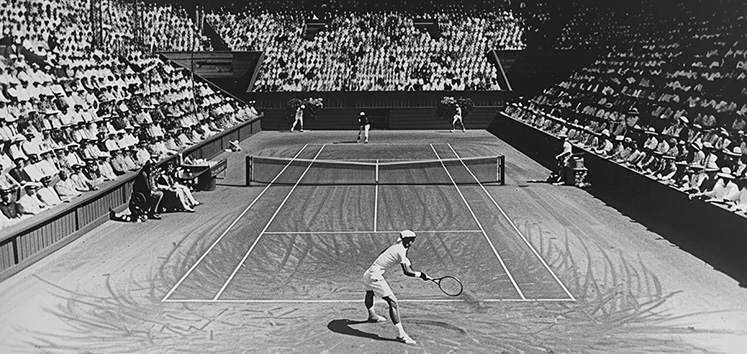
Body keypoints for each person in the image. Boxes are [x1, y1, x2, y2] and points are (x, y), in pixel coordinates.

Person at [362, 230, 432, 345]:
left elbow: (392, 254)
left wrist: (405, 261)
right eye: (408, 241)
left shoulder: (399, 243)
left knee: (370, 292)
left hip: (369, 272)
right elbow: (407, 272)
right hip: (375, 275)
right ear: (404, 240)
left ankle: (372, 316)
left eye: (411, 241)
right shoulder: (400, 250)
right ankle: (402, 335)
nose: (410, 243)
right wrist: (421, 275)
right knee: (393, 302)